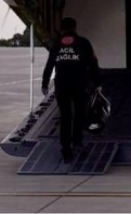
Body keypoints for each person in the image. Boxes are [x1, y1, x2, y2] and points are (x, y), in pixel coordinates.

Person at [41, 16, 100, 161]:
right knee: (80, 113)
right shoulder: (83, 42)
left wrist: (44, 83)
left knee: (65, 116)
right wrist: (96, 81)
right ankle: (77, 141)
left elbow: (49, 65)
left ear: (62, 29)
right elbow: (93, 63)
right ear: (75, 27)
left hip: (62, 85)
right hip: (80, 84)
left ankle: (66, 150)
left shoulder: (57, 45)